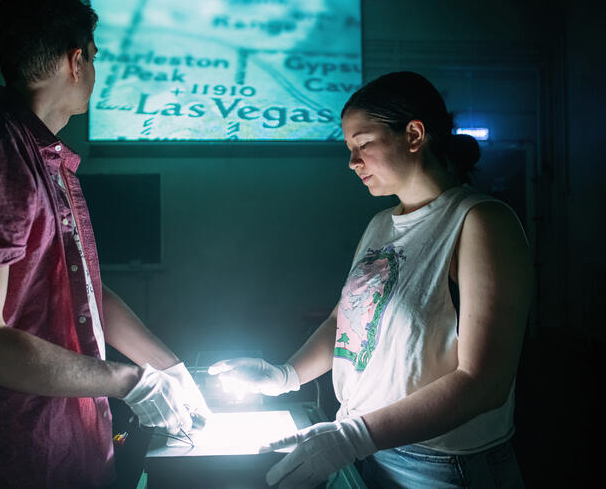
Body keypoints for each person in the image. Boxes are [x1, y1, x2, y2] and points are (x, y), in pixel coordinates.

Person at [0, 0, 208, 489]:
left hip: (56, 454)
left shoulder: (41, 157)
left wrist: (168, 368)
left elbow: (79, 293)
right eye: (95, 58)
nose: (95, 72)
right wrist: (131, 381)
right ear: (76, 61)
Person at [210, 71, 531, 488]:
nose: (352, 161)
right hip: (367, 451)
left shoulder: (480, 221)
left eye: (363, 144)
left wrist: (355, 437)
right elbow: (342, 323)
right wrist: (284, 376)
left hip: (439, 467)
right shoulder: (381, 224)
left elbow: (484, 382)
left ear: (414, 135)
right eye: (349, 148)